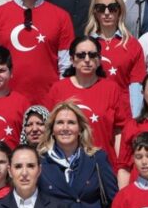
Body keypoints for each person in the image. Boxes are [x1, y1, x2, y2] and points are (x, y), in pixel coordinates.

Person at [45, 36, 129, 165]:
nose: (87, 60)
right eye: (81, 55)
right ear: (72, 60)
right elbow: (48, 129)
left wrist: (120, 166)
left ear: (99, 60)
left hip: (102, 165)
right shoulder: (58, 89)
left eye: (92, 55)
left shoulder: (111, 89)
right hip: (65, 165)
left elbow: (120, 131)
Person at [84, 0, 146, 114]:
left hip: (123, 113)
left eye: (112, 8)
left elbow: (136, 86)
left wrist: (135, 118)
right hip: (92, 112)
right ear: (94, 11)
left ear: (119, 10)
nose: (107, 13)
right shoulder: (84, 44)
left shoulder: (132, 45)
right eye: (101, 8)